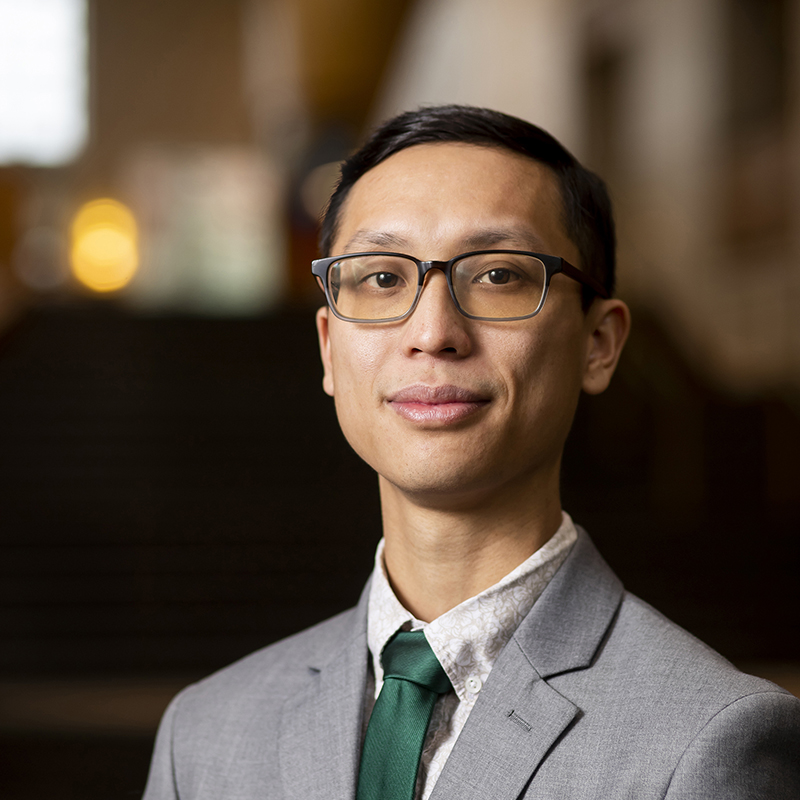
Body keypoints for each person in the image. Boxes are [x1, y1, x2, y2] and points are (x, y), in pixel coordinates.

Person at [142, 105, 800, 800]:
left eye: (497, 275)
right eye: (383, 277)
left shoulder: (709, 742)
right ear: (330, 349)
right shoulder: (205, 736)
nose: (433, 332)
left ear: (599, 344)